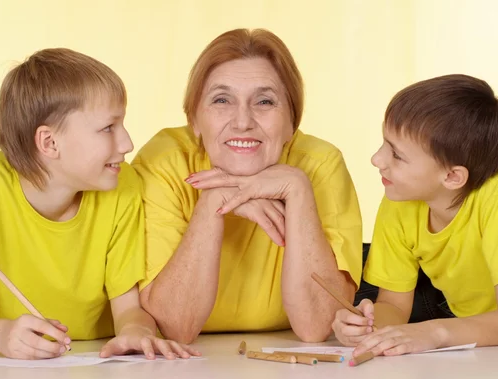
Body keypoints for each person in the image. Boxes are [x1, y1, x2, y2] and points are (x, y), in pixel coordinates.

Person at [0, 48, 199, 360]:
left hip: (98, 361)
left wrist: (138, 332)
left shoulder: (123, 184)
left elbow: (129, 308)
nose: (127, 143)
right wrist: (0, 336)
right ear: (50, 142)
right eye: (109, 127)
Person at [132, 28, 363, 344]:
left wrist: (296, 188)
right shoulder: (164, 161)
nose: (243, 121)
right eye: (222, 99)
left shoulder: (319, 164)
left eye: (265, 101)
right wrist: (215, 200)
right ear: (194, 120)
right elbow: (177, 325)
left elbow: (318, 325)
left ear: (291, 124)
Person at [333, 74, 498, 356]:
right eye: (384, 142)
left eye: (397, 155)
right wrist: (367, 325)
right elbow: (395, 306)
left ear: (452, 176)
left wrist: (435, 331)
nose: (377, 159)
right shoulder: (400, 197)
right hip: (461, 317)